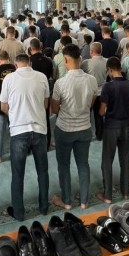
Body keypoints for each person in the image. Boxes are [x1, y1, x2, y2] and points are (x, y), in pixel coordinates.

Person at [0, 54, 50, 221]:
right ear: (30, 63)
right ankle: (44, 207)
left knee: (17, 174)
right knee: (42, 171)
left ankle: (19, 213)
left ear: (15, 65)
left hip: (18, 131)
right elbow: (45, 104)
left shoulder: (9, 79)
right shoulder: (42, 77)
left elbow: (4, 107)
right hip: (39, 129)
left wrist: (16, 115)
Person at [50, 44, 97, 210]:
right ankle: (84, 201)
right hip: (84, 128)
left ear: (65, 60)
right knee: (83, 164)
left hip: (65, 129)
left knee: (64, 166)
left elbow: (54, 109)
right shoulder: (91, 80)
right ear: (80, 58)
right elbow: (91, 104)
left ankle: (67, 201)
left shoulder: (60, 83)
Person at [96, 57, 129, 204]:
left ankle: (108, 196)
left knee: (107, 161)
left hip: (111, 127)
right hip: (126, 126)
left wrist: (109, 109)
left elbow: (101, 111)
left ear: (110, 69)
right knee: (124, 159)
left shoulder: (108, 86)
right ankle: (125, 192)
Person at [81, 42, 108, 138]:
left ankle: (86, 135)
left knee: (86, 114)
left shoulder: (86, 63)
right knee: (99, 115)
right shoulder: (107, 61)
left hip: (89, 92)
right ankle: (100, 135)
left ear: (91, 51)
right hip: (102, 92)